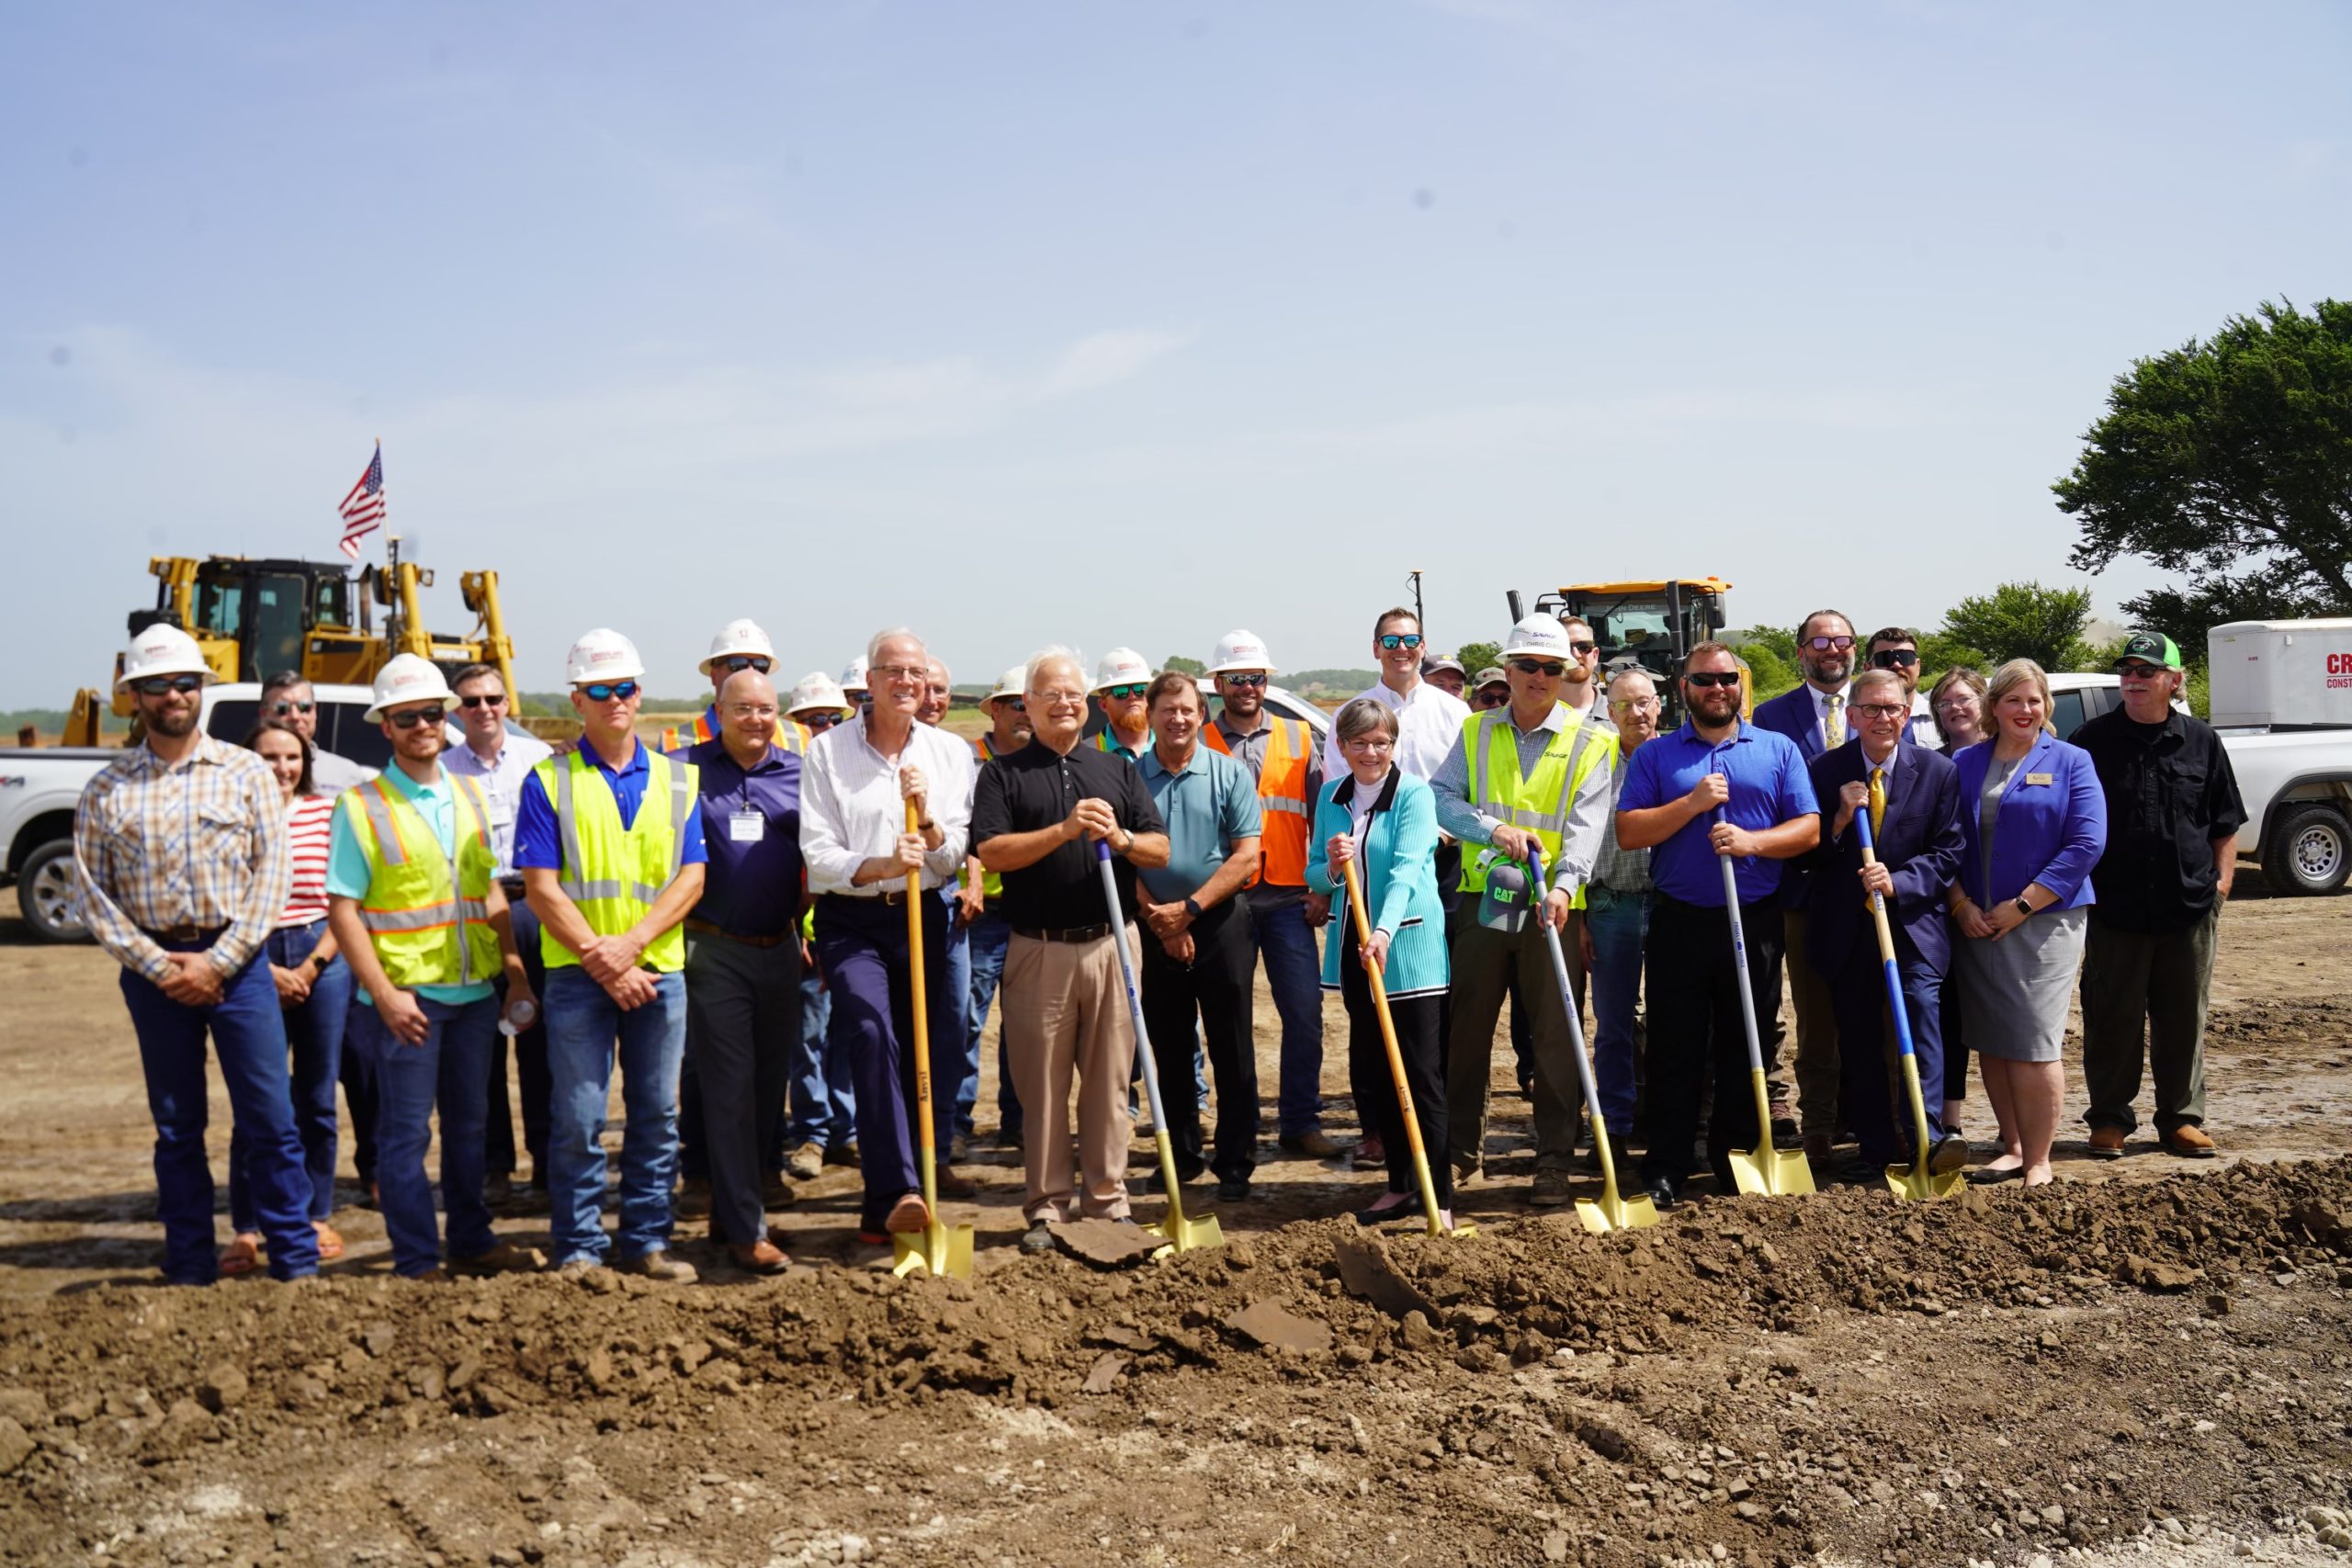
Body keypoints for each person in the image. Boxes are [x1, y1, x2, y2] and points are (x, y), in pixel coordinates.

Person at [74, 626, 319, 1284]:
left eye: (185, 682)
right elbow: (95, 897)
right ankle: (189, 1264)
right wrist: (163, 967)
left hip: (238, 970)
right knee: (178, 1127)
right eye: (158, 684)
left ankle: (294, 1260)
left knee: (271, 1120)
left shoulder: (244, 774)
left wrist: (219, 961)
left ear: (201, 690)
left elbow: (274, 875)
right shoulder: (105, 791)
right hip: (155, 974)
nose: (175, 694)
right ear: (134, 696)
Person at [327, 656, 542, 1280]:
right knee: (404, 1137)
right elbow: (343, 909)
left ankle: (471, 1240)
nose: (422, 724)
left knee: (471, 1128)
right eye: (407, 716)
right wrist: (384, 994)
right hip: (409, 1001)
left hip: (475, 993)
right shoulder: (362, 805)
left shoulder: (469, 793)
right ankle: (418, 1257)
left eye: (430, 713)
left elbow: (490, 893)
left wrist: (514, 972)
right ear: (387, 727)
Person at [518, 628, 707, 1281]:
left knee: (657, 1114)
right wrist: (607, 959)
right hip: (578, 975)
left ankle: (647, 1241)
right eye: (600, 690)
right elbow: (541, 888)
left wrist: (630, 949)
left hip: (659, 972)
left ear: (639, 692)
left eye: (624, 687)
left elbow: (692, 877)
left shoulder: (680, 781)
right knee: (579, 1117)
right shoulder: (547, 780)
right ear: (578, 699)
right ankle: (578, 1246)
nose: (614, 700)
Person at [971, 649, 1171, 1255]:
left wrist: (1120, 836)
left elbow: (1159, 849)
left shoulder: (1117, 770)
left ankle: (1107, 1203)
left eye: (1073, 693)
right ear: (1027, 705)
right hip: (1039, 950)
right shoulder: (1003, 774)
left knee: (1111, 1083)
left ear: (1087, 704)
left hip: (1112, 943)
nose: (1063, 702)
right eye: (1049, 693)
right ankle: (1049, 1207)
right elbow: (992, 852)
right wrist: (1062, 830)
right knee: (1043, 1085)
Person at [1615, 641, 1819, 1208]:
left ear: (1740, 686)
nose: (1717, 688)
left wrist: (1752, 841)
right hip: (1680, 921)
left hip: (1753, 921)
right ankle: (1666, 1167)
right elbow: (1630, 832)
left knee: (1746, 1041)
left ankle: (1736, 1159)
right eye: (1704, 680)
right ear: (1685, 689)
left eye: (1727, 679)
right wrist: (1694, 804)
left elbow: (1808, 829)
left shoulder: (1776, 750)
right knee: (1674, 1046)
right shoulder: (1657, 757)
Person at [798, 628, 977, 1243]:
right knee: (873, 1034)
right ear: (869, 682)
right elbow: (818, 854)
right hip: (852, 921)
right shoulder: (827, 753)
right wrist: (877, 862)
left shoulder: (950, 754)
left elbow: (952, 854)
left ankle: (892, 1202)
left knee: (924, 1046)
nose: (906, 681)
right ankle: (902, 1187)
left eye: (916, 671)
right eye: (892, 670)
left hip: (922, 914)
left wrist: (924, 819)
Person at [1430, 615, 1614, 1204]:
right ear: (1507, 670)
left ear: (1568, 673)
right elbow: (1440, 797)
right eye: (1529, 666)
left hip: (1553, 912)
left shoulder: (1593, 741)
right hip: (1482, 905)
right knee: (1468, 1031)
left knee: (1556, 1037)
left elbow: (1587, 827)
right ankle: (1461, 1152)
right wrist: (1490, 828)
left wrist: (1563, 888)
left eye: (1552, 668)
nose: (1540, 677)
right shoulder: (1477, 730)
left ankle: (1554, 1161)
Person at [2074, 632, 2245, 1160]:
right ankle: (2109, 1120)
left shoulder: (2202, 741)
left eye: (2147, 671)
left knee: (2183, 1019)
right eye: (2128, 669)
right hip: (2115, 909)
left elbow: (2225, 821)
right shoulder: (2090, 742)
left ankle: (2182, 1120)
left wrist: (2221, 884)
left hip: (2188, 909)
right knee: (2110, 1019)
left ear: (2175, 679)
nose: (2134, 679)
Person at [1321, 606, 1473, 1172]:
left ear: (1424, 645)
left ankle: (1434, 1146)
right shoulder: (1353, 715)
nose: (1402, 648)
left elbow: (1462, 792)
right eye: (1391, 640)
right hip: (1368, 873)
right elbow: (1340, 799)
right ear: (1375, 647)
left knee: (1432, 1017)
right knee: (1370, 1026)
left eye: (1411, 639)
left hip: (1442, 869)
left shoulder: (1454, 712)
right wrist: (1333, 871)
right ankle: (1380, 1134)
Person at [1803, 669, 1967, 1183]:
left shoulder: (1938, 771)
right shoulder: (1824, 771)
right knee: (1858, 1035)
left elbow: (1949, 852)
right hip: (1848, 929)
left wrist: (1897, 880)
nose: (1882, 719)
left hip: (1914, 925)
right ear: (1852, 716)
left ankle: (1930, 1135)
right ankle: (1875, 1147)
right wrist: (1836, 820)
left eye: (1892, 709)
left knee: (1921, 1015)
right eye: (1870, 709)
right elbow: (1805, 857)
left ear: (1906, 712)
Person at [1948, 659, 2107, 1189]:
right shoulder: (1965, 762)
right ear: (1994, 706)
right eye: (2013, 700)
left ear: (2047, 706)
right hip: (1978, 922)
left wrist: (2022, 906)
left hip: (2045, 921)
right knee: (1993, 1037)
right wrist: (1961, 904)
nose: (2025, 709)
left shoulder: (2071, 761)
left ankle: (2039, 1160)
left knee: (2034, 1039)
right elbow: (1943, 843)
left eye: (2034, 699)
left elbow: (2086, 843)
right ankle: (2011, 1145)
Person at [674, 669, 805, 1273]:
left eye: (766, 709)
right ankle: (746, 1229)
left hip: (780, 946)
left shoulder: (798, 774)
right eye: (742, 708)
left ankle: (733, 1212)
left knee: (765, 1087)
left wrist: (802, 927)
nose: (755, 719)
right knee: (727, 1087)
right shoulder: (683, 773)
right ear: (718, 710)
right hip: (712, 949)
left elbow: (815, 859)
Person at [1306, 697, 1453, 1227]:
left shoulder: (1413, 793)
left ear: (1395, 746)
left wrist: (1386, 930)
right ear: (1342, 747)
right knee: (1377, 1071)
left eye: (1382, 742)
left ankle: (1440, 1194)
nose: (1372, 752)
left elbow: (1410, 870)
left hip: (1407, 949)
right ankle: (1399, 1186)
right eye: (1361, 743)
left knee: (1419, 1073)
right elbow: (1315, 876)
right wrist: (1332, 863)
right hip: (1354, 950)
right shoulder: (1332, 796)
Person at [218, 720, 352, 1277]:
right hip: (252, 957)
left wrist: (313, 965)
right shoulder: (228, 816)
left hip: (323, 951)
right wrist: (266, 969)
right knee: (257, 1100)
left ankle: (313, 1213)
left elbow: (347, 896)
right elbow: (221, 898)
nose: (282, 767)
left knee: (317, 1099)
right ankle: (248, 1227)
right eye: (269, 756)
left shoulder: (328, 814)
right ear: (249, 759)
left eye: (292, 757)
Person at [1202, 630, 1335, 1159]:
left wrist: (1321, 886)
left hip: (1288, 898)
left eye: (1256, 678)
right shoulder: (1200, 743)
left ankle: (1300, 1122)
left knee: (1303, 1012)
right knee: (1230, 1018)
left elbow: (1323, 818)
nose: (1248, 687)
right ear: (1219, 684)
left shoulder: (1301, 737)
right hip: (1226, 902)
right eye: (1237, 679)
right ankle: (1238, 1126)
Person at [1136, 671, 1263, 1202]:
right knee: (1168, 1045)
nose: (1178, 718)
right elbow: (1123, 857)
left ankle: (1235, 1161)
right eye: (1167, 709)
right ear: (1150, 715)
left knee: (1232, 1046)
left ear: (1201, 713)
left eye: (1187, 709)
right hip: (1152, 922)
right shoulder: (1128, 777)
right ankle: (1181, 1156)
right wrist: (1160, 920)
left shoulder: (1229, 773)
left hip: (1219, 921)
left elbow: (1247, 855)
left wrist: (1187, 911)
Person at [442, 660, 556, 1206]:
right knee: (480, 1047)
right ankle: (494, 1167)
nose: (483, 710)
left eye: (492, 699)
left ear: (507, 703)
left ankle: (547, 1162)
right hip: (473, 916)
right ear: (456, 710)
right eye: (471, 701)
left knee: (543, 1045)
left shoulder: (540, 761)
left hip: (537, 907)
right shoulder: (443, 770)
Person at [1749, 608, 1857, 1165]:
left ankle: (1866, 1115)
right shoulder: (1770, 716)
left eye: (1841, 640)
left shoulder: (1878, 709)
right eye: (1820, 641)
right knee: (1813, 1011)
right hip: (1799, 887)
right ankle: (1817, 1120)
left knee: (1871, 1008)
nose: (1831, 650)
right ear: (1801, 652)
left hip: (1868, 884)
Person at [780, 671, 860, 1182]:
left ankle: (845, 1131)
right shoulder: (784, 780)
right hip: (803, 936)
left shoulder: (851, 777)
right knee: (806, 1038)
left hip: (844, 929)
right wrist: (796, 933)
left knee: (847, 1035)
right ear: (795, 724)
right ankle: (812, 1131)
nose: (824, 726)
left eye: (833, 717)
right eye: (813, 719)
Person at [1582, 669, 1662, 1152]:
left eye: (1644, 703)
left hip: (1671, 905)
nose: (1636, 713)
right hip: (1610, 905)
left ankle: (1666, 1119)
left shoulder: (1676, 758)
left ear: (1659, 705)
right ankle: (1614, 1123)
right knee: (1613, 1025)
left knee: (1673, 1020)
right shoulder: (1593, 763)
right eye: (1624, 705)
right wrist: (1584, 916)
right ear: (1609, 713)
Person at [918, 654, 979, 1160]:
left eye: (942, 690)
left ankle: (938, 1146)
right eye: (926, 688)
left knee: (951, 1027)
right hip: (892, 901)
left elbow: (971, 833)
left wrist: (973, 881)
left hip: (945, 901)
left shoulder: (956, 753)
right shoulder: (872, 747)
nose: (933, 700)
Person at [967, 665, 1030, 1148]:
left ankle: (1018, 1119)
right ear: (996, 711)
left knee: (1024, 1024)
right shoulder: (969, 760)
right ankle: (955, 1123)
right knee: (967, 1020)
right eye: (1016, 705)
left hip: (1030, 910)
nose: (1025, 713)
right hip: (981, 911)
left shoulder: (1042, 763)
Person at [1927, 665, 1990, 1132]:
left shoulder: (2009, 758)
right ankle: (1951, 1119)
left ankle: (2014, 1121)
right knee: (1950, 1016)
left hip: (2008, 909)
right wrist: (1958, 902)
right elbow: (1933, 847)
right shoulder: (1934, 766)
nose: (1955, 708)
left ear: (1985, 702)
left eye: (1964, 698)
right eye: (1944, 702)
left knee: (2001, 1017)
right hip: (1951, 908)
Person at [656, 619, 809, 755]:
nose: (750, 672)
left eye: (760, 666)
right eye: (738, 664)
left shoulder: (798, 738)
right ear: (714, 675)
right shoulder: (674, 743)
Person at [259, 671, 374, 795]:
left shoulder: (347, 775)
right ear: (263, 714)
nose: (295, 716)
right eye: (282, 708)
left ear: (314, 711)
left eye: (304, 707)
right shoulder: (243, 770)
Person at [1864, 626, 1941, 750]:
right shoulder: (1853, 721)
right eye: (1885, 658)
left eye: (1906, 657)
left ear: (1918, 666)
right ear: (1867, 669)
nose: (1896, 665)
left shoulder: (1942, 718)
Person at [1091, 647, 1155, 760]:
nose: (1132, 696)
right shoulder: (1086, 755)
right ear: (1103, 704)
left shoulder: (1172, 746)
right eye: (1121, 692)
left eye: (1140, 689)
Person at [1555, 615, 1611, 724]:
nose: (1576, 654)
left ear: (1595, 656)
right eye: (1566, 647)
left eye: (1584, 646)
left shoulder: (1620, 715)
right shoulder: (1535, 718)